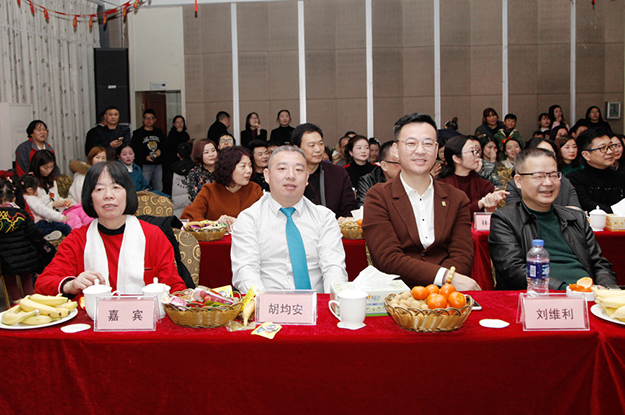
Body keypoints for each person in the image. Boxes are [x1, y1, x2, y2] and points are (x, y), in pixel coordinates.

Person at [362, 112, 480, 290]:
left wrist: (443, 287)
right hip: (398, 295)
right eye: (411, 143)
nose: (420, 150)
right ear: (396, 149)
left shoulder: (456, 198)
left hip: (446, 294)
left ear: (436, 149)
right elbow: (387, 258)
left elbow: (462, 255)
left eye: (427, 143)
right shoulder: (378, 197)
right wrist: (444, 277)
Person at [34, 161, 187, 296]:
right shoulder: (77, 239)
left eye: (116, 187)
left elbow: (175, 288)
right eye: (99, 189)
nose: (108, 195)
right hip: (91, 319)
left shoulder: (152, 235)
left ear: (128, 193)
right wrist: (70, 285)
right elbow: (43, 283)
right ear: (89, 198)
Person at [489, 147, 617, 290]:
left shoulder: (576, 217)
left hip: (589, 294)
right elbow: (514, 270)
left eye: (553, 175)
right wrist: (567, 290)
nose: (548, 182)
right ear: (519, 181)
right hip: (542, 296)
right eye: (539, 176)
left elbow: (599, 263)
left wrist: (608, 291)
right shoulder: (505, 219)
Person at [231, 146, 348, 293]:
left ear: (306, 178)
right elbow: (246, 270)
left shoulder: (325, 218)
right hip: (268, 303)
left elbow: (334, 268)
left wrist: (330, 302)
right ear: (267, 175)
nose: (291, 175)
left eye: (298, 170)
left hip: (316, 303)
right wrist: (264, 302)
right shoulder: (249, 219)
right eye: (282, 169)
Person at [181, 146, 263, 230]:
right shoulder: (210, 190)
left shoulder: (255, 190)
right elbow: (189, 218)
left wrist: (238, 222)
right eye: (243, 166)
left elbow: (265, 220)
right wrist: (215, 224)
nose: (249, 170)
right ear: (228, 168)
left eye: (250, 165)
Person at [0, 179, 54, 301]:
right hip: (26, 255)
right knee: (26, 276)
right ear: (14, 198)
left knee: (10, 278)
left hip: (6, 258)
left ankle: (15, 302)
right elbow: (32, 233)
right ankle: (30, 299)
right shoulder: (22, 214)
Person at [291, 123, 357, 219]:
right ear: (297, 148)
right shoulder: (287, 175)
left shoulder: (338, 173)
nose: (318, 149)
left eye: (321, 144)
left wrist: (344, 220)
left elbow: (349, 208)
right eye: (311, 145)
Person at [438, 135, 507, 216]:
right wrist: (479, 203)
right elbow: (450, 215)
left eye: (477, 151)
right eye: (472, 151)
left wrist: (490, 207)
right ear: (457, 158)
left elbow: (490, 218)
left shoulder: (485, 185)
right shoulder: (441, 186)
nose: (477, 155)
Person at [505, 138, 580, 209]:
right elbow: (515, 213)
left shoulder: (563, 182)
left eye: (550, 154)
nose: (548, 183)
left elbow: (576, 211)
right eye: (541, 153)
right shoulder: (515, 185)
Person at [568, 127, 625, 213]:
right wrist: (616, 212)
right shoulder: (574, 179)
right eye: (603, 148)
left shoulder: (620, 177)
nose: (610, 152)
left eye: (611, 146)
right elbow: (586, 204)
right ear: (586, 155)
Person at [356, 140, 401, 207]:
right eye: (399, 163)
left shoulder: (412, 180)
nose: (405, 167)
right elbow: (365, 209)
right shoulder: (368, 181)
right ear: (384, 166)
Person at [131, 109, 166, 192]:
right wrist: (145, 157)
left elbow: (165, 146)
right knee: (144, 187)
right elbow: (135, 149)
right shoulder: (137, 133)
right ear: (143, 119)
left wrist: (160, 151)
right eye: (146, 118)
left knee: (158, 187)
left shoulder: (159, 132)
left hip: (158, 164)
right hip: (145, 164)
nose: (149, 120)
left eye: (151, 118)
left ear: (155, 120)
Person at [163, 115, 191, 196]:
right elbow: (172, 146)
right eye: (177, 122)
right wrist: (178, 134)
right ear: (174, 124)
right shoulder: (171, 134)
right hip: (173, 160)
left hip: (184, 160)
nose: (180, 124)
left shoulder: (186, 134)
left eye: (181, 122)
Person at [170, 143, 195, 217]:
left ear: (178, 155)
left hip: (175, 203)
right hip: (192, 202)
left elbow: (167, 185)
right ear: (191, 154)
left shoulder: (172, 168)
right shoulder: (196, 168)